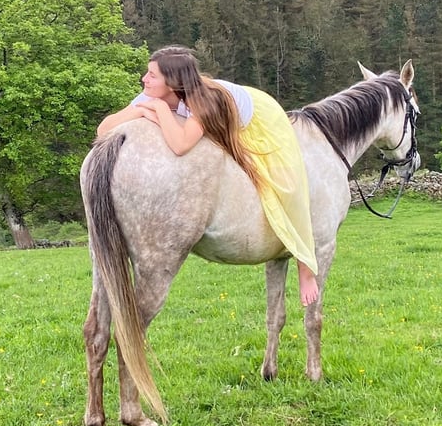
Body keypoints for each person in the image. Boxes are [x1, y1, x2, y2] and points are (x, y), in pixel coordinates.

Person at [97, 45, 319, 306]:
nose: (144, 79)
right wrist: (143, 109)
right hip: (186, 107)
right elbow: (103, 130)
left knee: (288, 187)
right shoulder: (152, 94)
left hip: (257, 117)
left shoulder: (204, 102)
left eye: (152, 75)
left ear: (173, 83)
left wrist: (156, 110)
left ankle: (306, 270)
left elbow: (180, 145)